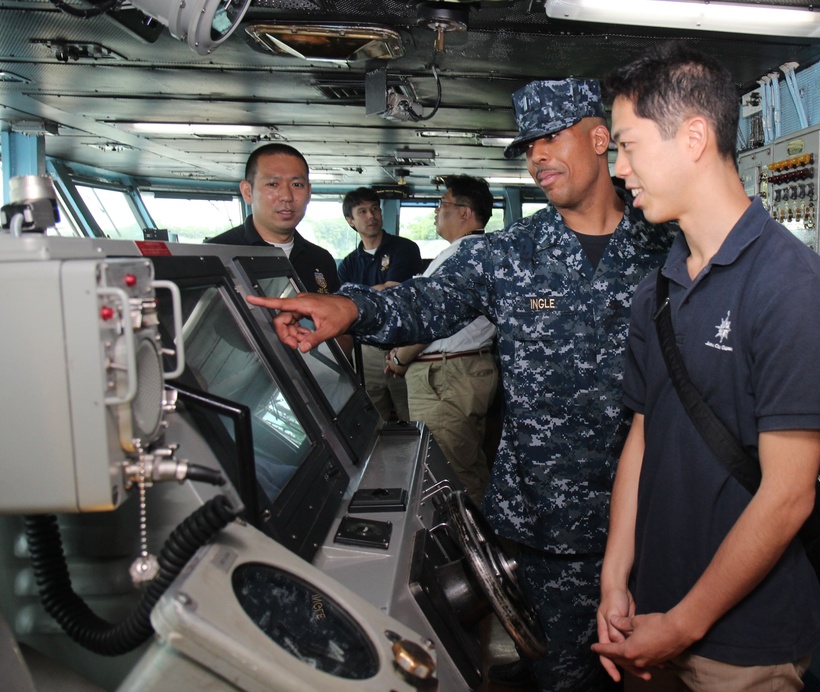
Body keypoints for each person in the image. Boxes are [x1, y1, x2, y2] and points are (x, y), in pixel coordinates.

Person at [246, 78, 672, 692]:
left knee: (657, 673)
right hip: (545, 524)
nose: (537, 156)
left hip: (654, 515)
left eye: (552, 136)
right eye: (528, 145)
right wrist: (351, 308)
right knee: (560, 675)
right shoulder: (507, 255)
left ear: (600, 137)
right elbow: (426, 302)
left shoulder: (666, 242)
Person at [592, 46, 820, 690]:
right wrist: (614, 577)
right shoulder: (659, 285)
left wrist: (683, 626)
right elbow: (643, 435)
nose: (619, 169)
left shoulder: (791, 287)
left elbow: (787, 496)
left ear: (695, 138)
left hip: (742, 642)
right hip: (651, 613)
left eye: (627, 145)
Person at [385, 175, 498, 506]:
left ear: (464, 212)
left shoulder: (464, 256)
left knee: (451, 475)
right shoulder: (471, 252)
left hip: (444, 378)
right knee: (467, 465)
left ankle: (477, 553)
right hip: (458, 372)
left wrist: (400, 358)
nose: (436, 212)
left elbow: (431, 317)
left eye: (441, 204)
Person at [206, 143, 340, 296]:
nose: (287, 196)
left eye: (297, 185)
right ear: (248, 192)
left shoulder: (321, 260)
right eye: (273, 184)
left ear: (309, 192)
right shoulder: (213, 257)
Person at [338, 186, 422, 422]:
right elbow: (345, 305)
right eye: (362, 211)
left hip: (402, 348)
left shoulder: (404, 249)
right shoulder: (348, 264)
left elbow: (394, 292)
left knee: (411, 418)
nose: (371, 216)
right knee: (375, 421)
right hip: (365, 352)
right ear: (351, 221)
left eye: (375, 209)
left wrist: (356, 297)